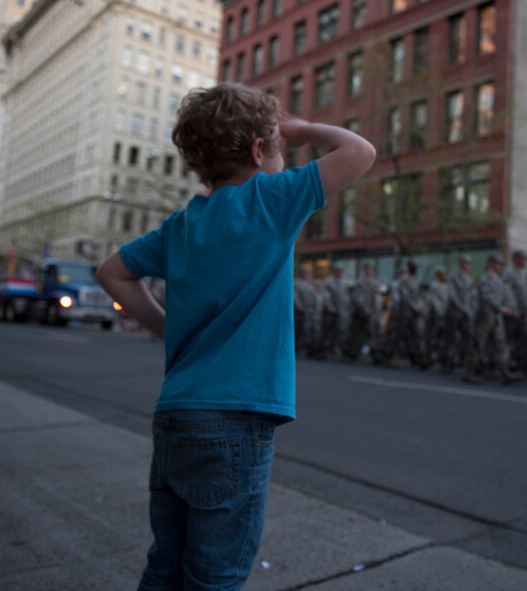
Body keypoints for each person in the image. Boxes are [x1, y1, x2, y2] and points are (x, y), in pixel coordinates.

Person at [95, 82, 376, 591]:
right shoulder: (273, 201)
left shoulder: (181, 225)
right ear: (257, 150)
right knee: (215, 575)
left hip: (175, 414)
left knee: (166, 564)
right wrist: (304, 130)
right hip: (234, 421)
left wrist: (166, 326)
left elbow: (111, 272)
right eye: (277, 145)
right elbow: (359, 151)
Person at [463, 254, 520, 385]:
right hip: (485, 315)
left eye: (499, 264)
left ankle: (504, 373)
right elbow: (487, 296)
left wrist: (510, 308)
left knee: (500, 344)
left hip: (497, 316)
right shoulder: (484, 278)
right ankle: (469, 372)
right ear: (490, 264)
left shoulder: (498, 280)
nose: (498, 266)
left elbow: (506, 295)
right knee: (478, 344)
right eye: (496, 263)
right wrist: (501, 308)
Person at [503, 250, 527, 376]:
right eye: (522, 259)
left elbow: (526, 293)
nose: (525, 261)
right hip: (513, 314)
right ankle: (505, 368)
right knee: (510, 342)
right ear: (515, 259)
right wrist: (512, 310)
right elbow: (507, 293)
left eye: (525, 259)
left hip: (524, 314)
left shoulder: (524, 273)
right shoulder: (509, 273)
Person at [442, 255, 473, 373]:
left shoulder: (468, 279)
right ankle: (447, 363)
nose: (467, 266)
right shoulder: (453, 277)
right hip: (454, 312)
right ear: (460, 264)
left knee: (467, 336)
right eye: (464, 263)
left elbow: (469, 296)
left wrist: (468, 309)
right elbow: (452, 294)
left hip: (465, 313)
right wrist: (461, 306)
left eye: (468, 264)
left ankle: (462, 360)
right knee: (451, 339)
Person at [345, 263, 380, 362]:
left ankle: (375, 355)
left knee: (370, 334)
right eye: (368, 270)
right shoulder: (360, 282)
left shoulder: (374, 283)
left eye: (371, 270)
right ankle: (351, 354)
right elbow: (357, 298)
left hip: (368, 314)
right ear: (365, 271)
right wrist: (365, 309)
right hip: (359, 313)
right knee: (356, 334)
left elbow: (375, 299)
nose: (370, 272)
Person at [320, 264, 349, 359]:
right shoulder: (329, 281)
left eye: (341, 271)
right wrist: (330, 307)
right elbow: (326, 296)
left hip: (339, 312)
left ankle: (333, 350)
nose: (340, 273)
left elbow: (344, 297)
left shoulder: (342, 282)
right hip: (329, 312)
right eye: (339, 271)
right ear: (335, 271)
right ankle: (321, 352)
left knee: (338, 332)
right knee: (326, 332)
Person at [423, 266, 450, 369]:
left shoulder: (446, 286)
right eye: (443, 274)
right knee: (432, 338)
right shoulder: (434, 286)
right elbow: (434, 301)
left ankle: (440, 358)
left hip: (443, 316)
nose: (445, 276)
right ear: (439, 275)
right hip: (435, 316)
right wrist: (440, 312)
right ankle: (427, 359)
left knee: (441, 339)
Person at [293, 267, 317, 356]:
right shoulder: (296, 283)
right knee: (296, 329)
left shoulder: (310, 285)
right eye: (307, 273)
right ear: (302, 274)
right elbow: (295, 296)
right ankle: (294, 348)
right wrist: (299, 306)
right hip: (299, 312)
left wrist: (314, 309)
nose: (308, 275)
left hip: (308, 312)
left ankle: (300, 348)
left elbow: (314, 298)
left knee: (305, 330)